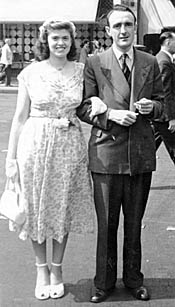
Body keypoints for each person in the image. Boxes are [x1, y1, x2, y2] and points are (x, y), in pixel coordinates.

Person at [77, 4, 164, 303]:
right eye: (117, 26)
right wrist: (110, 115)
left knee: (134, 223)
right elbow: (84, 106)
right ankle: (103, 283)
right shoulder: (94, 62)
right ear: (108, 30)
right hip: (106, 155)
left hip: (140, 153)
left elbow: (162, 103)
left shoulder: (150, 62)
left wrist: (154, 108)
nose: (123, 31)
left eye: (128, 24)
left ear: (134, 26)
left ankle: (133, 279)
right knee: (107, 224)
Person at [5, 19, 94, 301]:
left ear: (71, 41)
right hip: (35, 143)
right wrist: (11, 158)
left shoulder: (82, 70)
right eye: (54, 38)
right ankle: (41, 269)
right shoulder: (30, 73)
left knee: (61, 208)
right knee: (35, 208)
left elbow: (90, 103)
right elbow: (19, 118)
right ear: (45, 40)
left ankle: (57, 269)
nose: (60, 43)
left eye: (65, 39)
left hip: (69, 146)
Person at [152, 30, 175, 163]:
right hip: (164, 116)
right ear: (168, 42)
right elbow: (165, 92)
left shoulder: (161, 58)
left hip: (159, 116)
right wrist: (171, 118)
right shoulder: (164, 62)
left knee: (149, 147)